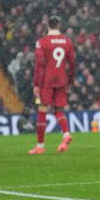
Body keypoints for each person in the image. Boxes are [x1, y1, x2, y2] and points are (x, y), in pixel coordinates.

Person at [29, 15, 76, 154]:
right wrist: (70, 80)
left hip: (47, 80)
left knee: (42, 110)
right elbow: (73, 63)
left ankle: (40, 146)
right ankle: (66, 134)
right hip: (61, 79)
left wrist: (36, 84)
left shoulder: (42, 42)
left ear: (47, 26)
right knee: (59, 110)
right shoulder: (67, 41)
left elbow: (40, 64)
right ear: (59, 25)